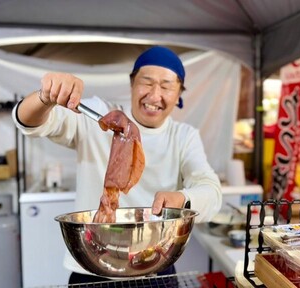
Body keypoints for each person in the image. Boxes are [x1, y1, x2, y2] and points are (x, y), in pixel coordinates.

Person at [12, 46, 222, 284]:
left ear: (179, 93)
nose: (154, 96)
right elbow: (29, 123)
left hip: (154, 265)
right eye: (147, 82)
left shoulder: (184, 136)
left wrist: (181, 199)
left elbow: (211, 192)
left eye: (166, 86)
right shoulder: (100, 114)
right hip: (92, 267)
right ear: (132, 84)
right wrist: (45, 97)